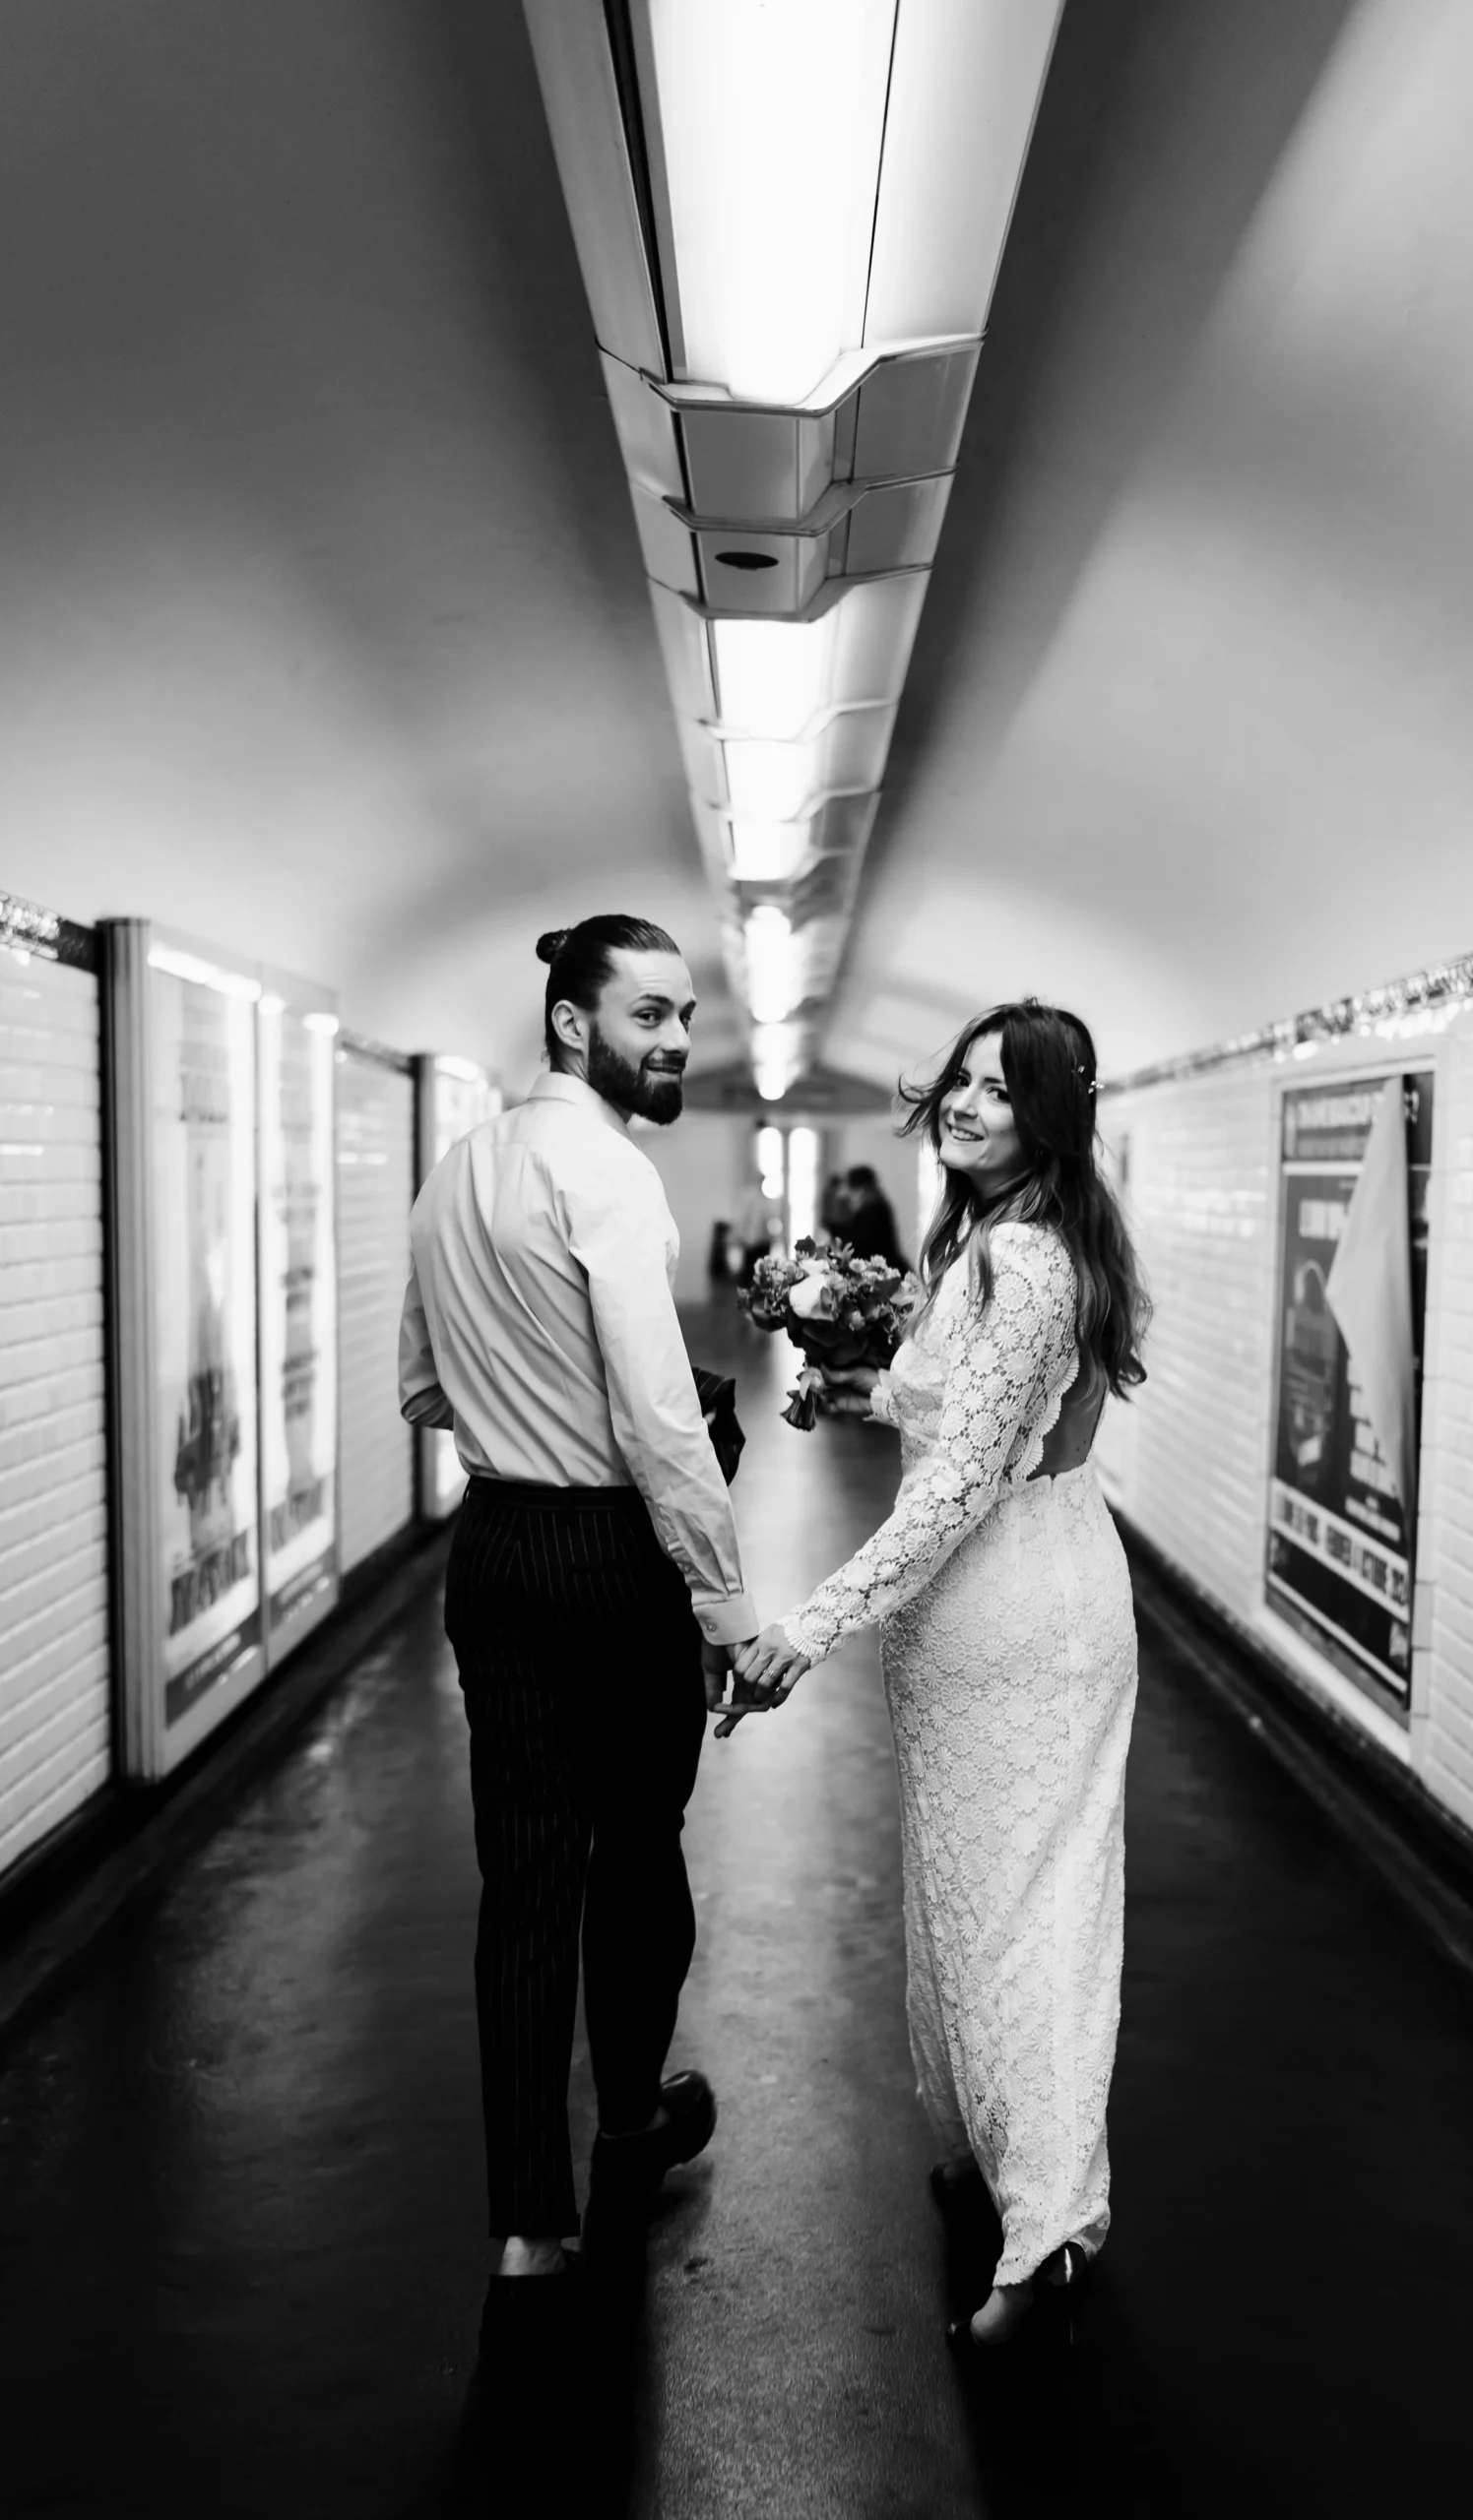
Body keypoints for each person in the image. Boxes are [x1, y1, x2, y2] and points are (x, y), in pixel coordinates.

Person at [730, 1000, 1148, 2356]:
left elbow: (964, 1488)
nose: (966, 1104)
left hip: (1020, 1613)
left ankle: (1041, 2237)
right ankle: (991, 2148)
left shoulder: (1022, 1260)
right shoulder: (990, 1239)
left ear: (1050, 1115)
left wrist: (808, 1624)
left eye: (1000, 1089)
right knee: (974, 1897)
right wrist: (879, 1398)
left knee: (1030, 1914)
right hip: (984, 1619)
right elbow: (975, 1414)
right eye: (959, 1080)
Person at [399, 914, 760, 2362]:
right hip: (610, 1557)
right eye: (650, 1016)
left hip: (492, 1549)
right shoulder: (605, 1169)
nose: (675, 1041)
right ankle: (628, 2113)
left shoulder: (452, 1170)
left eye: (684, 1018)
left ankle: (528, 2227)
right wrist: (725, 1601)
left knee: (525, 1878)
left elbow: (423, 1387)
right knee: (642, 1844)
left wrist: (512, 1419)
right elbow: (661, 1419)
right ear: (570, 1025)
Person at [840, 1164, 908, 1271]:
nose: (846, 1195)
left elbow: (859, 1248)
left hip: (882, 1271)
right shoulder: (877, 1207)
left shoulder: (873, 1211)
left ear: (862, 1190)